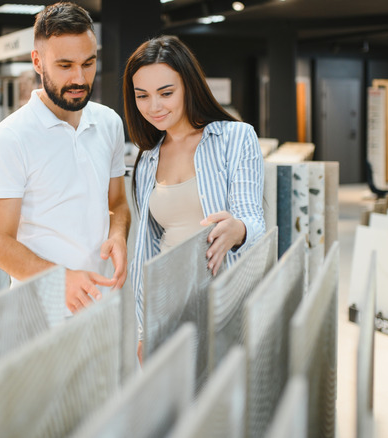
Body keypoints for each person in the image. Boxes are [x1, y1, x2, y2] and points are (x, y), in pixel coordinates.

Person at [123, 35, 265, 360]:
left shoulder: (235, 137)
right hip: (167, 305)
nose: (154, 106)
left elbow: (254, 220)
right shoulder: (147, 160)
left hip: (223, 301)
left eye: (166, 93)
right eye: (142, 96)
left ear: (188, 85)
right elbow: (147, 250)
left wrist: (238, 229)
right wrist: (145, 327)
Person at [0, 2, 130, 314]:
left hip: (103, 303)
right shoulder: (11, 138)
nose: (79, 78)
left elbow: (116, 202)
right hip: (38, 312)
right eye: (65, 66)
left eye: (88, 64)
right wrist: (59, 279)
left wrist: (118, 235)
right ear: (37, 61)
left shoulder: (109, 123)